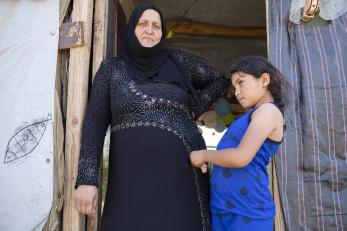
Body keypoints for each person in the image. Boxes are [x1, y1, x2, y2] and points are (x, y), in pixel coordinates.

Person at [74, 3, 228, 231]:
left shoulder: (179, 62)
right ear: (131, 29)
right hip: (129, 180)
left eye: (156, 26)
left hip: (183, 174)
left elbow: (220, 80)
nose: (150, 30)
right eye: (143, 24)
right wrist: (87, 179)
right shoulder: (112, 69)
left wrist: (193, 107)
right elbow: (94, 124)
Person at [190, 56, 288, 231]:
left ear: (264, 80)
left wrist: (203, 155)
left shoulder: (269, 111)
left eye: (241, 83)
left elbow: (240, 157)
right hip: (224, 209)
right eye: (234, 86)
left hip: (248, 213)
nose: (236, 92)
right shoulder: (249, 116)